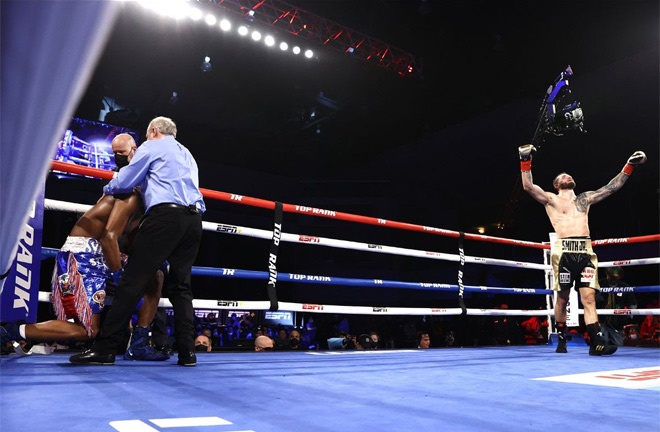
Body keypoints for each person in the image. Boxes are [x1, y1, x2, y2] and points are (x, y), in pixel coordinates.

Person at [70, 116, 205, 367]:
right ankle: (187, 353)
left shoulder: (152, 146)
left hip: (166, 217)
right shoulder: (187, 154)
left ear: (153, 131)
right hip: (194, 220)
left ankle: (105, 349)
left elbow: (126, 179)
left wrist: (107, 189)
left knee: (131, 282)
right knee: (181, 287)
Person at [1, 170, 166, 361]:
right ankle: (10, 331)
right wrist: (121, 280)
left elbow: (130, 245)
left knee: (156, 275)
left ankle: (139, 343)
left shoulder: (146, 208)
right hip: (82, 257)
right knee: (87, 331)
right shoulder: (131, 197)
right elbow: (108, 238)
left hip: (104, 259)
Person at [519, 144, 646, 355]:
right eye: (563, 176)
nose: (567, 176)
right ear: (557, 184)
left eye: (569, 175)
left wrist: (629, 166)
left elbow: (611, 187)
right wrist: (525, 159)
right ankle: (561, 339)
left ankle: (597, 344)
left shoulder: (584, 199)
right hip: (564, 253)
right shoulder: (551, 199)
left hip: (586, 252)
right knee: (563, 298)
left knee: (588, 298)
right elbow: (528, 187)